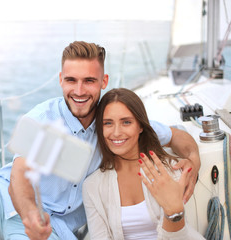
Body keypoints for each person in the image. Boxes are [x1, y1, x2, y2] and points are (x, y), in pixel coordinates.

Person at [0, 41, 200, 240]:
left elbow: (179, 137)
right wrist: (29, 214)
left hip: (53, 229)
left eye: (89, 81)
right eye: (71, 80)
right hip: (4, 203)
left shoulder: (112, 124)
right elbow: (20, 175)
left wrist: (194, 162)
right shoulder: (41, 118)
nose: (79, 90)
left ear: (104, 81)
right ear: (60, 80)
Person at [82, 88, 204, 239]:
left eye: (126, 122)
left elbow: (180, 235)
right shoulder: (92, 186)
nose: (116, 132)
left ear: (140, 126)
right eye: (108, 123)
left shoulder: (170, 169)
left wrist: (173, 213)